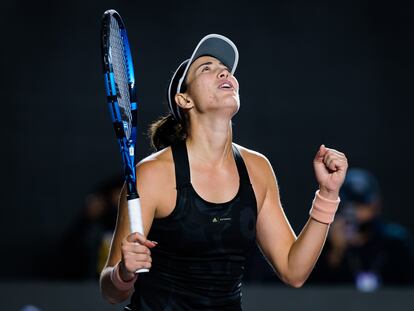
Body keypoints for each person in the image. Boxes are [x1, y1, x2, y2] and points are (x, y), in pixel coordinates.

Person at [99, 34, 349, 310]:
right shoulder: (153, 174)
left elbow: (294, 270)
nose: (223, 71)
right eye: (206, 68)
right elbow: (111, 292)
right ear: (185, 100)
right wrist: (123, 273)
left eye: (226, 69)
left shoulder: (257, 169)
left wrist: (327, 194)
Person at [309, 168, 414, 290]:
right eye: (350, 206)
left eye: (362, 205)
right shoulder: (326, 245)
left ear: (376, 206)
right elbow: (311, 292)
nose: (355, 213)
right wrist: (336, 252)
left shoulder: (396, 243)